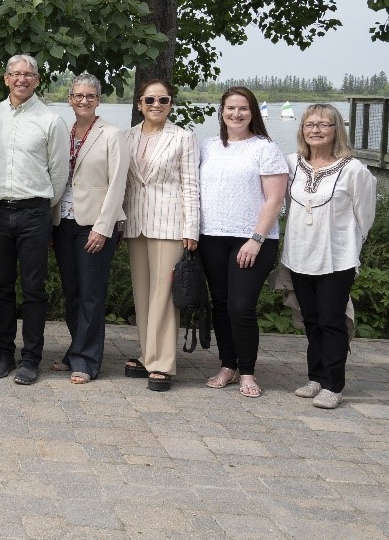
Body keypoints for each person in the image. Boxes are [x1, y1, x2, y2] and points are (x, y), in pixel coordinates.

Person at [279, 104, 376, 410]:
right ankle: (316, 376)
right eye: (310, 124)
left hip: (336, 258)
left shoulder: (353, 170)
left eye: (324, 124)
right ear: (302, 130)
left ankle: (334, 384)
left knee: (332, 320)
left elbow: (365, 219)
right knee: (312, 319)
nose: (316, 130)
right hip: (298, 255)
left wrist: (349, 249)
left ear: (337, 130)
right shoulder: (293, 163)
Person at [198, 85, 287, 399]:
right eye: (230, 108)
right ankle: (227, 366)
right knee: (221, 304)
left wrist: (256, 239)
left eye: (243, 109)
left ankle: (247, 371)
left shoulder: (265, 148)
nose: (236, 114)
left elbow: (275, 199)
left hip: (252, 240)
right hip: (211, 237)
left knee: (241, 306)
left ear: (253, 113)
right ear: (221, 112)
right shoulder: (206, 146)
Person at [0, 53, 67, 386]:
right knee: (1, 287)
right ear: (6, 78)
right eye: (15, 74)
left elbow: (59, 173)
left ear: (37, 79)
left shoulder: (50, 120)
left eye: (28, 74)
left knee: (33, 289)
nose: (22, 79)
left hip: (34, 212)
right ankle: (3, 353)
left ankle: (31, 357)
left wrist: (45, 211)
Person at [50, 74, 128, 384]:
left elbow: (118, 184)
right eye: (78, 95)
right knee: (72, 293)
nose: (84, 100)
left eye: (90, 96)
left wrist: (104, 227)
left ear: (99, 100)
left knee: (91, 295)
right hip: (62, 222)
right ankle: (75, 351)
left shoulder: (112, 134)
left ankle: (87, 360)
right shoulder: (61, 132)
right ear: (69, 98)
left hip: (93, 225)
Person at [122, 79, 199, 392]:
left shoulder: (183, 138)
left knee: (164, 294)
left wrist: (191, 228)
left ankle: (163, 364)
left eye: (163, 100)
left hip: (170, 224)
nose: (156, 105)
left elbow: (191, 185)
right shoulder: (126, 137)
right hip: (135, 223)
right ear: (140, 103)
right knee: (142, 293)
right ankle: (147, 354)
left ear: (171, 104)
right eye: (150, 100)